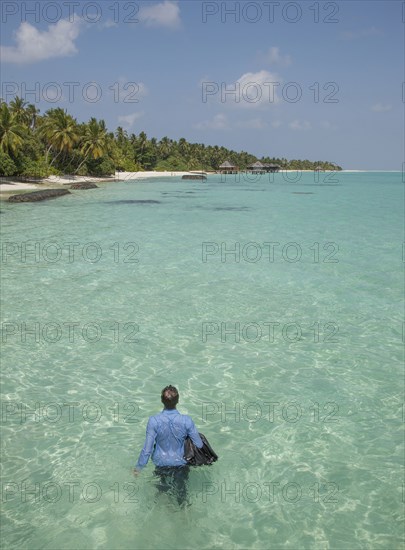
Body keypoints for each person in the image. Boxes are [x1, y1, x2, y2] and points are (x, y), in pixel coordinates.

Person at [134, 385, 203, 506]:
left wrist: (138, 468)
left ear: (162, 401)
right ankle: (183, 515)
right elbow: (199, 444)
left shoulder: (153, 421)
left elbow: (147, 450)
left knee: (161, 492)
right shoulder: (186, 420)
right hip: (181, 463)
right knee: (182, 494)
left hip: (161, 463)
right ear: (178, 401)